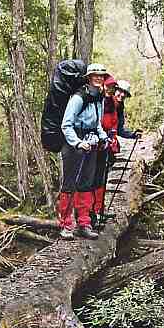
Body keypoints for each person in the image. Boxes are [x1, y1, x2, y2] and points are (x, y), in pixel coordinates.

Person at [57, 63, 110, 240]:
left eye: (102, 76)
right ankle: (65, 225)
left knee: (86, 184)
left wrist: (103, 137)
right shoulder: (78, 98)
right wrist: (77, 143)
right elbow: (66, 124)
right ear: (88, 77)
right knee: (69, 184)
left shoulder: (99, 97)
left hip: (91, 142)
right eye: (95, 75)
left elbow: (97, 124)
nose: (99, 78)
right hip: (74, 144)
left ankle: (84, 224)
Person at [91, 78, 141, 225]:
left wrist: (132, 135)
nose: (121, 95)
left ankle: (99, 211)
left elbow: (119, 129)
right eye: (120, 91)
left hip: (108, 146)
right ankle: (91, 213)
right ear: (115, 90)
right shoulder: (105, 102)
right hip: (97, 144)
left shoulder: (119, 108)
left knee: (103, 179)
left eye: (124, 94)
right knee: (95, 179)